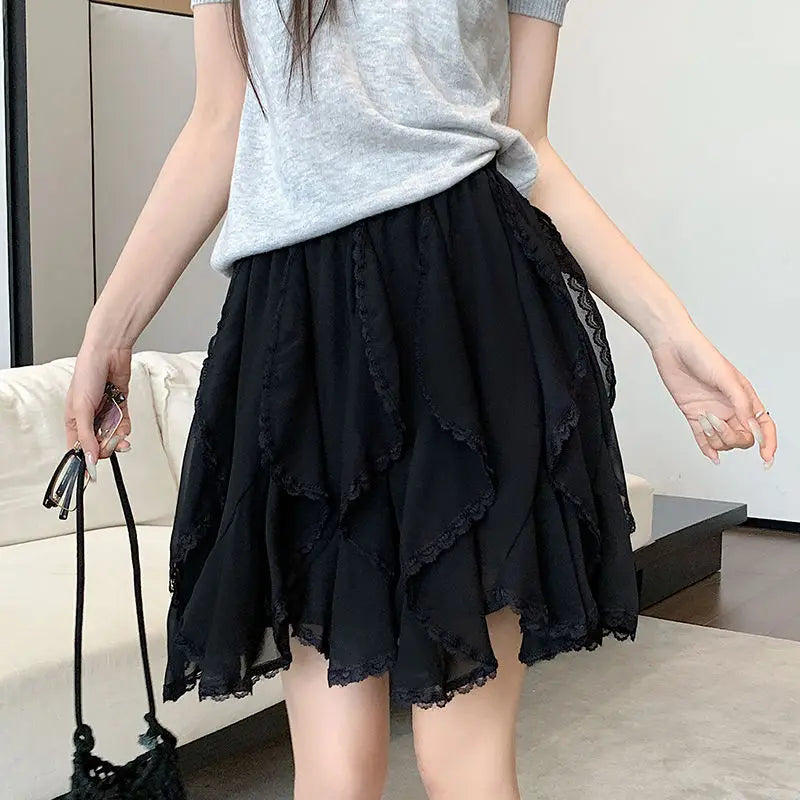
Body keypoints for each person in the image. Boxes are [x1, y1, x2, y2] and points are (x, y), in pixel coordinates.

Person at [64, 1, 778, 798]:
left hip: (467, 311)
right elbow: (219, 123)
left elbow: (526, 144)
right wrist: (107, 333)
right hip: (307, 333)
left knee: (463, 764)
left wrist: (670, 331)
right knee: (337, 774)